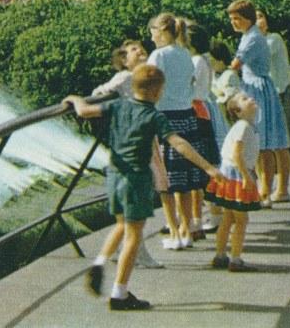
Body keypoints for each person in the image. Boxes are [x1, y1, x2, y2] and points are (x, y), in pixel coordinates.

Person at [64, 64, 223, 310]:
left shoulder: (117, 105)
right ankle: (120, 293)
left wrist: (74, 98)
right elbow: (178, 143)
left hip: (115, 175)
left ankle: (99, 263)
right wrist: (208, 168)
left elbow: (84, 111)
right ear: (157, 91)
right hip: (137, 179)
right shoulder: (154, 116)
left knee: (121, 225)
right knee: (134, 235)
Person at [91, 39, 165, 269]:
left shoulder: (143, 75)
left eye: (141, 48)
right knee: (135, 207)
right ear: (124, 60)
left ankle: (124, 252)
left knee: (131, 210)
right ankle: (138, 254)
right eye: (133, 50)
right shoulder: (125, 77)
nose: (140, 50)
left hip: (139, 136)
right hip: (134, 141)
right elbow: (101, 91)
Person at [147, 12, 212, 248]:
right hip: (187, 116)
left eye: (153, 29)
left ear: (162, 31)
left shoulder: (159, 55)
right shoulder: (185, 54)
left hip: (165, 118)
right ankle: (186, 229)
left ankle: (175, 232)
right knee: (185, 181)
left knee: (167, 181)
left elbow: (149, 84)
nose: (151, 35)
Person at [226, 0, 290, 208]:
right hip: (258, 86)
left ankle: (265, 191)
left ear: (247, 19)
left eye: (237, 19)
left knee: (263, 144)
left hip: (257, 89)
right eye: (232, 19)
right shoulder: (250, 35)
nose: (233, 23)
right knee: (263, 143)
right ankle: (265, 190)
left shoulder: (252, 38)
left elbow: (236, 64)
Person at [256, 9, 290, 203]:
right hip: (262, 97)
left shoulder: (273, 39)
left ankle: (282, 189)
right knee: (262, 146)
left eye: (260, 16)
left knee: (280, 145)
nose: (257, 20)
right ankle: (264, 188)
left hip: (279, 95)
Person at [204, 91, 262, 272]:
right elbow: (237, 154)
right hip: (236, 174)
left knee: (228, 217)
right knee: (241, 219)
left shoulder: (246, 126)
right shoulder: (243, 127)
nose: (251, 99)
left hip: (229, 173)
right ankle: (235, 260)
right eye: (245, 99)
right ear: (237, 111)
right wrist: (246, 176)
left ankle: (220, 255)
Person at [182, 23, 220, 239]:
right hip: (203, 108)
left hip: (195, 109)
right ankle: (205, 215)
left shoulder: (197, 61)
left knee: (200, 165)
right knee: (205, 164)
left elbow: (190, 87)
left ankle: (210, 215)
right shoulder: (204, 59)